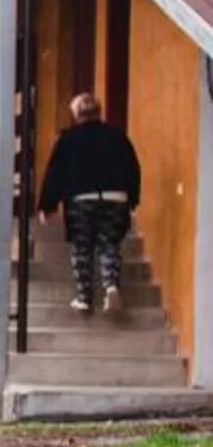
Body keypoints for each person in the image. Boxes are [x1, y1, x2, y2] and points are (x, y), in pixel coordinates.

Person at [36, 93, 141, 314]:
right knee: (109, 244)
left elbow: (55, 172)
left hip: (81, 199)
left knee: (82, 246)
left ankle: (84, 297)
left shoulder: (68, 139)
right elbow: (133, 168)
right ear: (99, 112)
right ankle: (111, 285)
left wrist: (48, 205)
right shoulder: (117, 137)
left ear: (76, 114)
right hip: (115, 197)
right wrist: (132, 198)